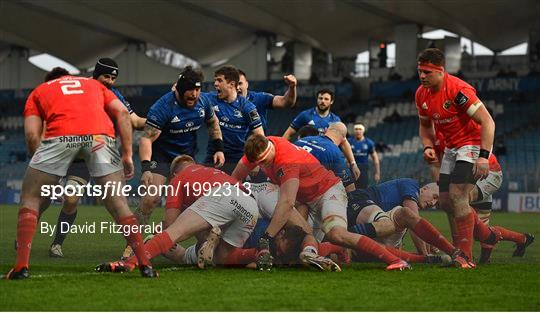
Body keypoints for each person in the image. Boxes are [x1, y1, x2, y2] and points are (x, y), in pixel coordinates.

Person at [5, 67, 156, 279]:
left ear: (50, 81)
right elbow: (122, 113)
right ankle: (145, 265)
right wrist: (128, 154)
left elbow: (32, 136)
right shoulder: (93, 85)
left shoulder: (40, 91)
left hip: (60, 141)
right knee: (119, 205)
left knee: (31, 198)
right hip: (99, 141)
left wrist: (38, 163)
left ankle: (22, 267)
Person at [232, 134, 411, 271]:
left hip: (328, 192)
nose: (262, 165)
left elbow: (286, 203)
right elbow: (234, 178)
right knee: (298, 245)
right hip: (306, 199)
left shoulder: (286, 161)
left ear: (270, 150)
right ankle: (314, 253)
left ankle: (396, 260)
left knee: (337, 234)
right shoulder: (258, 147)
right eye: (258, 163)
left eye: (264, 161)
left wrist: (266, 237)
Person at [47, 57, 147, 258]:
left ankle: (135, 250)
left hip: (92, 157)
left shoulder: (113, 95)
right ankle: (27, 236)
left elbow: (134, 120)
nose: (110, 81)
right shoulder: (78, 90)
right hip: (65, 151)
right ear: (95, 75)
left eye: (113, 77)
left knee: (95, 201)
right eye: (106, 76)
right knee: (40, 199)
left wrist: (162, 120)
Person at [96, 155, 259, 272]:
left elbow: (170, 225)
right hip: (250, 205)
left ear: (173, 174)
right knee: (222, 257)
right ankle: (259, 254)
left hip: (223, 196)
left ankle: (130, 262)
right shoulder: (209, 171)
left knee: (174, 232)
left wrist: (155, 236)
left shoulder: (178, 179)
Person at [416, 48, 495, 261]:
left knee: (458, 195)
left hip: (471, 144)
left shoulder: (458, 91)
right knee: (445, 201)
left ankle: (464, 257)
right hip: (451, 149)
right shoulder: (421, 94)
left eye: (427, 72)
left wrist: (483, 156)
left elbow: (487, 121)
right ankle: (491, 236)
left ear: (440, 71)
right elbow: (424, 127)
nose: (422, 76)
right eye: (420, 71)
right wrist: (427, 145)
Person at [131, 66, 224, 248]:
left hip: (185, 158)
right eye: (190, 90)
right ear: (180, 89)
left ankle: (203, 244)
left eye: (198, 90)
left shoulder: (203, 103)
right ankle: (132, 244)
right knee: (151, 199)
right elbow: (146, 139)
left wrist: (219, 148)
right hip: (162, 156)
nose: (194, 95)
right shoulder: (163, 107)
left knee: (196, 200)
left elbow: (213, 124)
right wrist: (146, 168)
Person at [429, 131, 534, 263]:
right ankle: (522, 239)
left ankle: (463, 255)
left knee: (457, 202)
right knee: (481, 233)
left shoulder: (453, 131)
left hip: (488, 173)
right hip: (472, 177)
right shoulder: (439, 138)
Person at [346, 178, 474, 268]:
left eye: (437, 203)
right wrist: (425, 251)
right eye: (434, 197)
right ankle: (450, 253)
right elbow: (412, 217)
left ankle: (350, 244)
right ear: (424, 189)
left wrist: (428, 244)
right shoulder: (411, 184)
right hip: (359, 201)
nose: (433, 203)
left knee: (389, 247)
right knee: (406, 214)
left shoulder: (399, 212)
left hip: (373, 228)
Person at [282, 88, 360, 180]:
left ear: (332, 101)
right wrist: (281, 153)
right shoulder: (305, 115)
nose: (322, 101)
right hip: (304, 159)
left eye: (326, 99)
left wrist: (353, 163)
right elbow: (288, 134)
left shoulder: (335, 120)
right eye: (320, 98)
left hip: (324, 161)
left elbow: (343, 142)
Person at [204, 65, 264, 174]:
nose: (215, 84)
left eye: (219, 80)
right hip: (213, 156)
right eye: (215, 80)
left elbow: (260, 136)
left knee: (234, 189)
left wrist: (255, 161)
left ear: (231, 84)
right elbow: (193, 95)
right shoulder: (210, 99)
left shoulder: (247, 107)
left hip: (237, 160)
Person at [294, 123, 355, 192]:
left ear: (325, 130)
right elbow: (350, 188)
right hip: (305, 193)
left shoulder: (302, 140)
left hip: (285, 183)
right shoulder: (336, 153)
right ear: (344, 139)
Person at [348, 123, 381, 189]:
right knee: (351, 189)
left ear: (363, 130)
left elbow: (375, 158)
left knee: (363, 189)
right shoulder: (349, 142)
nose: (358, 131)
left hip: (363, 168)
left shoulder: (369, 142)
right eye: (356, 129)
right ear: (354, 130)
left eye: (360, 129)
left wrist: (377, 173)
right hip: (351, 168)